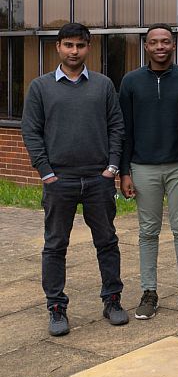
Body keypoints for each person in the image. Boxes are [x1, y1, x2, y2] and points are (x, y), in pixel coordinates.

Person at [21, 22, 128, 335]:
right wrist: (46, 172)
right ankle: (56, 308)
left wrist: (112, 167)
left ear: (88, 48)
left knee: (107, 242)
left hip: (98, 179)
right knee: (55, 246)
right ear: (58, 47)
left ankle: (112, 300)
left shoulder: (103, 85)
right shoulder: (40, 87)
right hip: (60, 180)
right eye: (68, 45)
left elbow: (116, 127)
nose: (74, 51)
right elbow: (31, 131)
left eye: (80, 46)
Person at [119, 24, 178, 320]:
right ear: (146, 46)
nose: (160, 46)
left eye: (166, 41)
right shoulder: (130, 81)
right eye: (154, 42)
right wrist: (124, 171)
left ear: (173, 45)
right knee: (148, 232)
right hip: (142, 167)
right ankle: (149, 292)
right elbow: (124, 129)